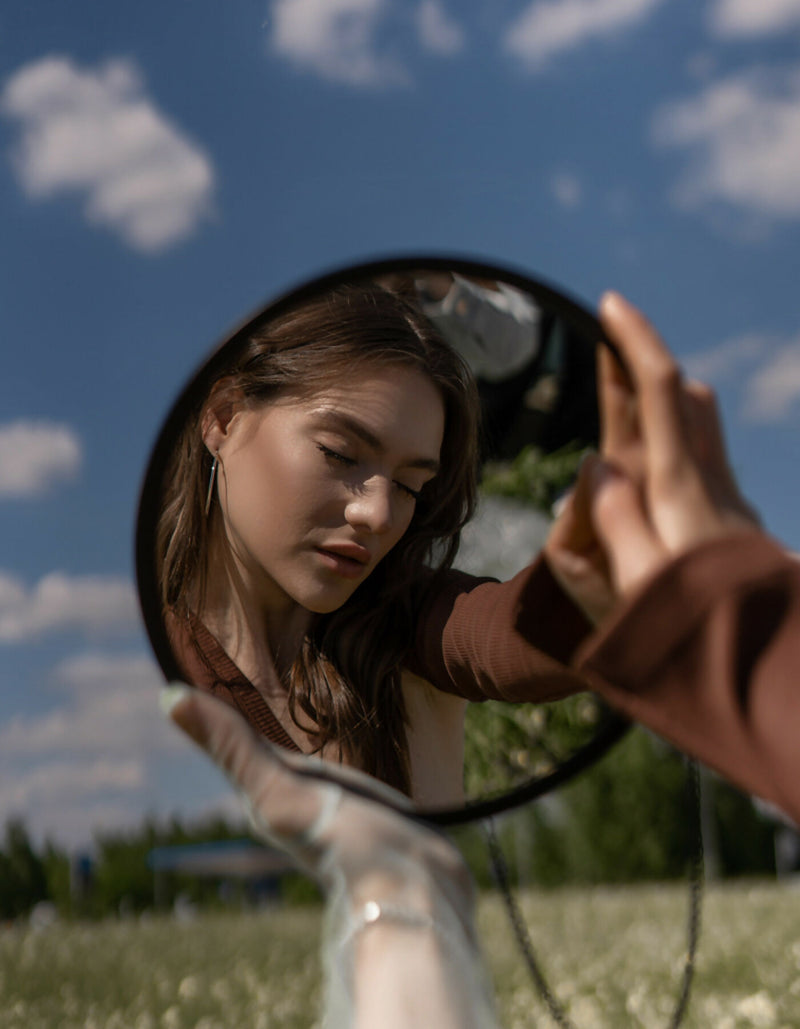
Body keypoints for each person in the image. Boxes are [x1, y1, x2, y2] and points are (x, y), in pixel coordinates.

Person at [157, 282, 589, 810]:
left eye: (410, 485)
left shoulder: (406, 625)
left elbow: (518, 634)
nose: (380, 514)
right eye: (340, 454)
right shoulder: (150, 652)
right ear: (223, 417)